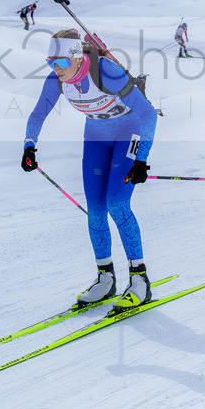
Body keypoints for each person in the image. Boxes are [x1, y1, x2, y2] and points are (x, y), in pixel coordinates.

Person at [20, 29, 157, 311]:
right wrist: (29, 146)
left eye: (60, 62)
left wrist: (141, 160)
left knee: (117, 204)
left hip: (128, 132)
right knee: (95, 209)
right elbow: (37, 114)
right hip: (96, 136)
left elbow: (147, 114)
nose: (55, 69)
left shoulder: (106, 71)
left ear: (77, 56)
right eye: (50, 62)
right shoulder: (56, 81)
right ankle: (106, 278)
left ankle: (140, 280)